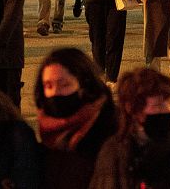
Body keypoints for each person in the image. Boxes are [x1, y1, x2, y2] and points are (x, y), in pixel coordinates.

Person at [35, 48, 118, 189]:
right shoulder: (45, 139)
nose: (55, 92)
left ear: (84, 86)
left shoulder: (112, 131)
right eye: (48, 86)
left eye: (64, 85)